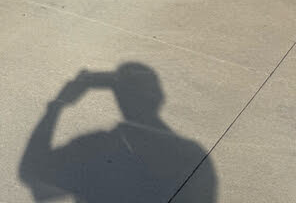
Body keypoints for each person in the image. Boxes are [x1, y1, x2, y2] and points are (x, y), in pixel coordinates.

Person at [19, 63, 216, 202]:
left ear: (119, 100)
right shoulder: (193, 156)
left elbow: (32, 172)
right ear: (160, 97)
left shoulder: (95, 149)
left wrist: (56, 106)